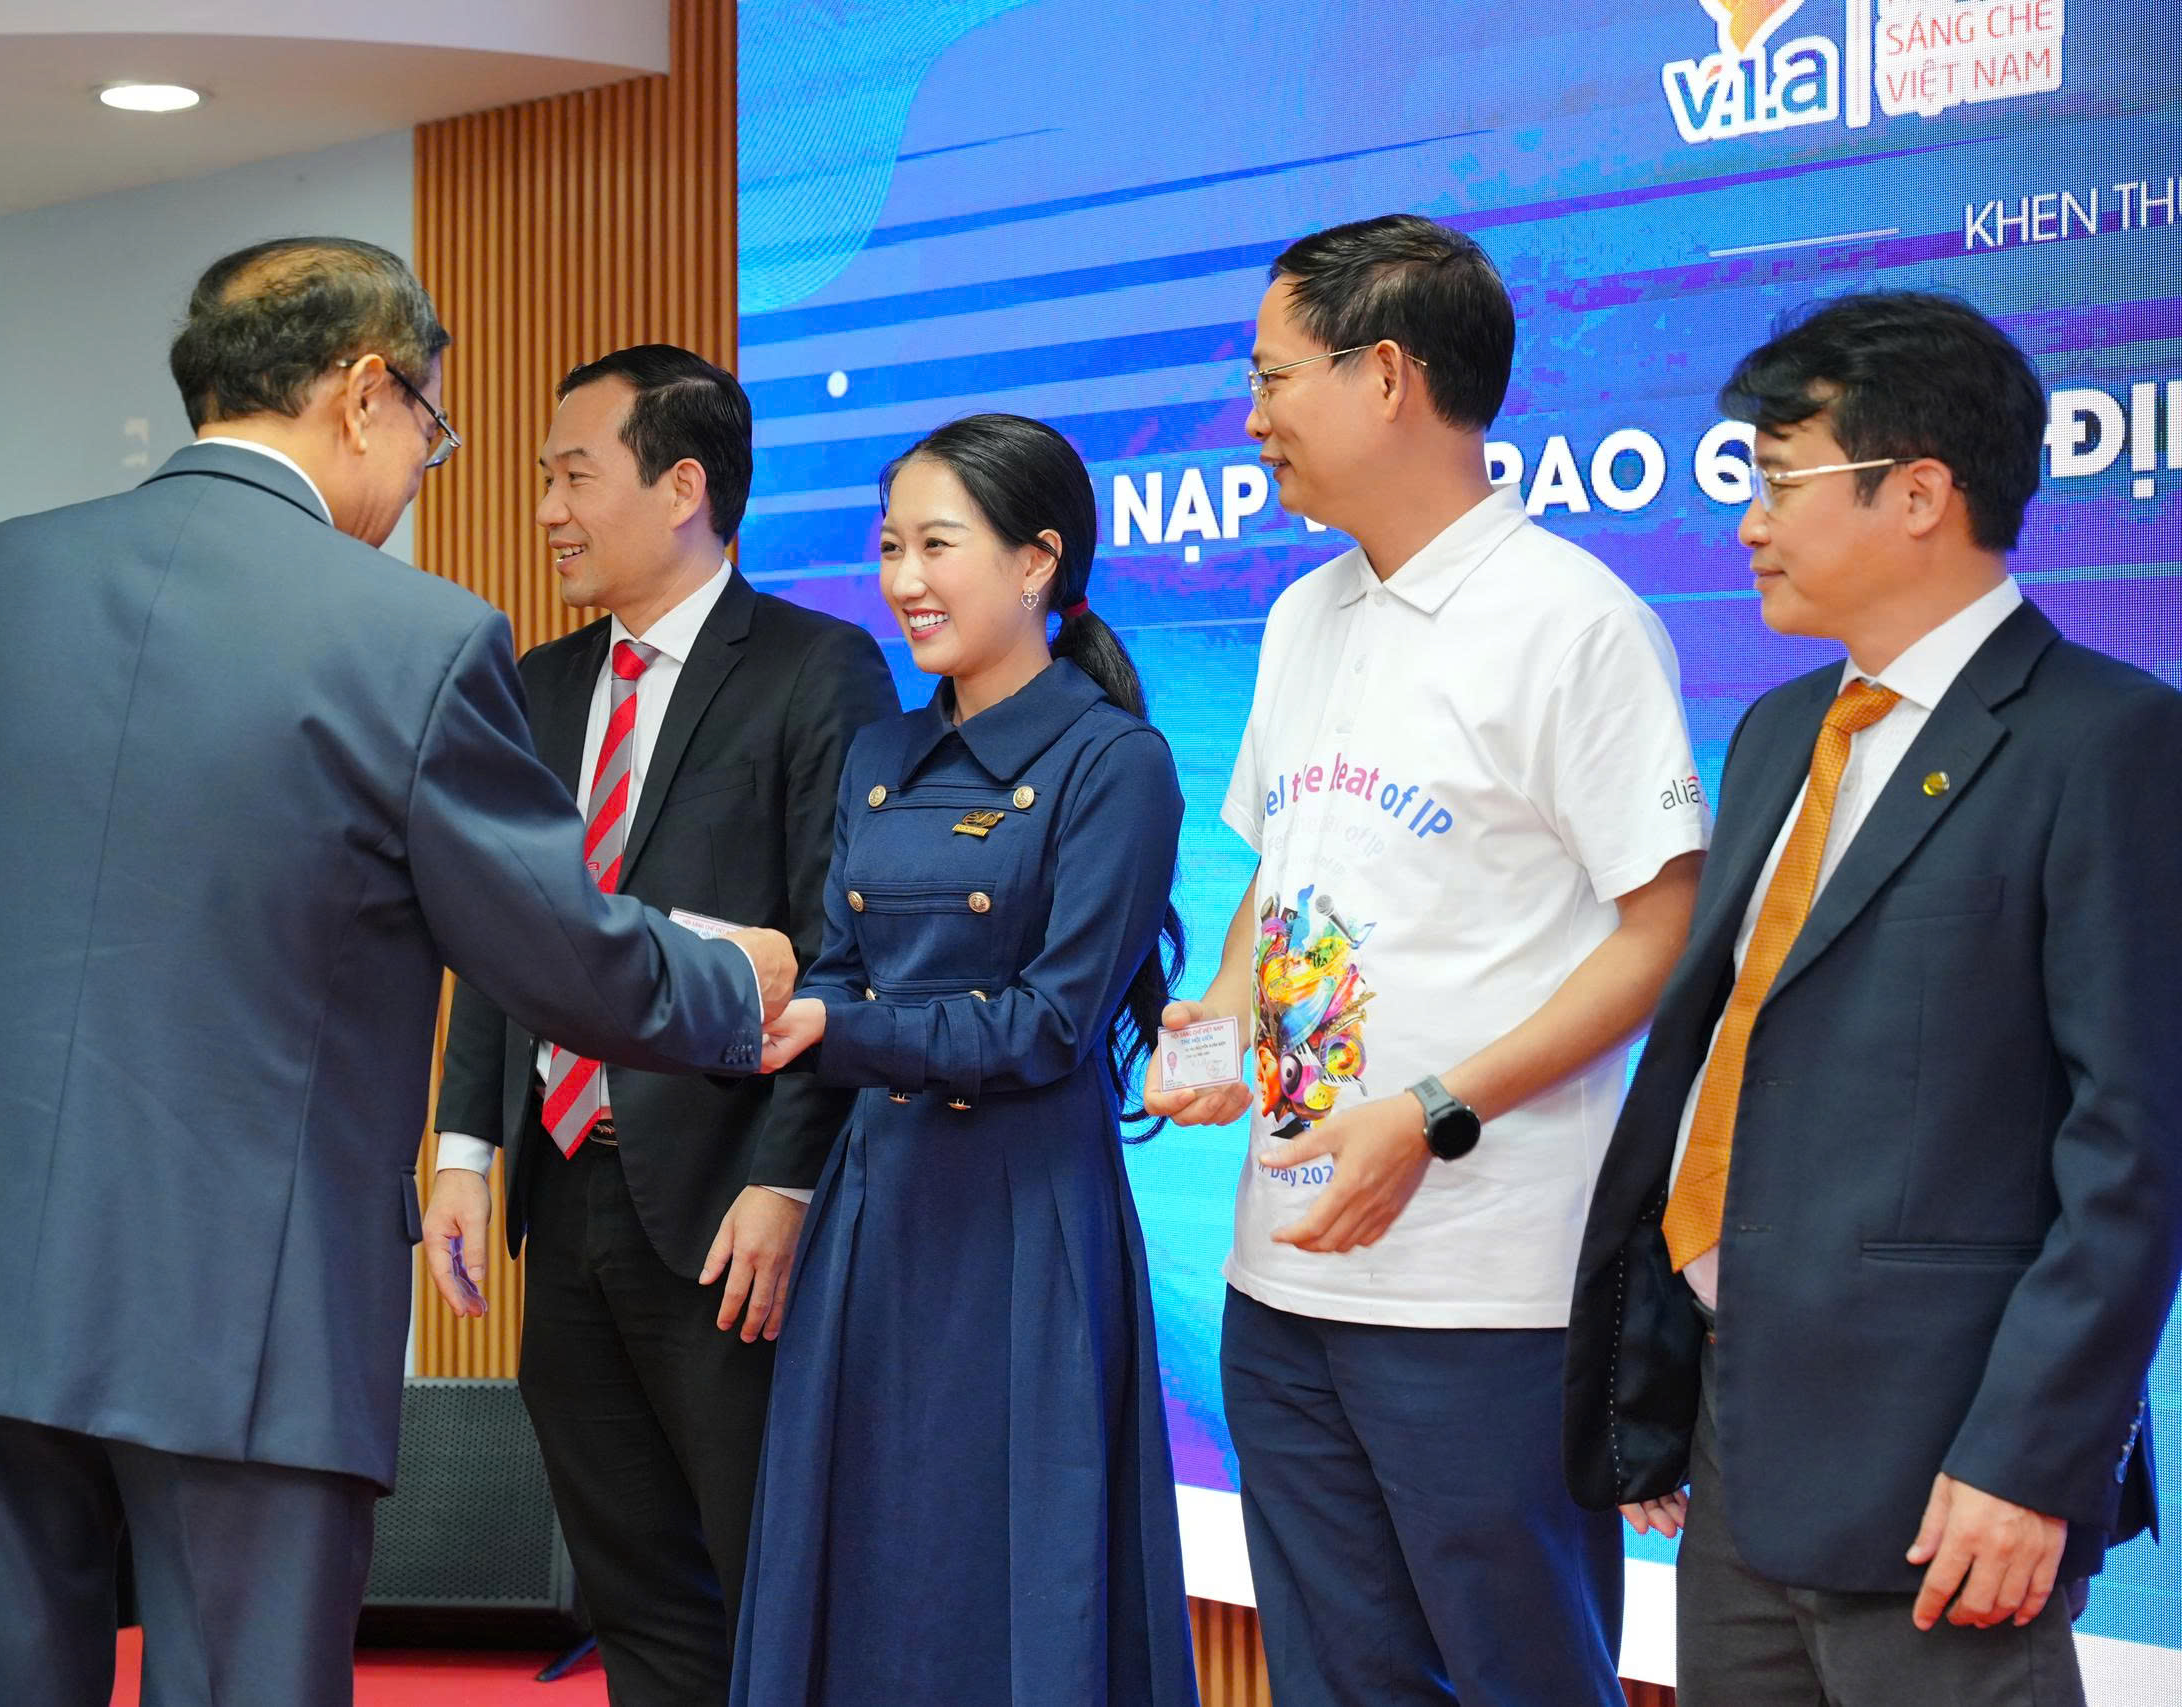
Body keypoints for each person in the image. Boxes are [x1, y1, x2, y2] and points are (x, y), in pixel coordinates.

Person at [0, 238, 794, 1707]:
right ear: (363, 393)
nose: (420, 472)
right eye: (430, 429)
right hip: (247, 1304)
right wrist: (737, 978)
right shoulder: (410, 638)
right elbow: (553, 949)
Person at [1565, 291, 2181, 1707]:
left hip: (1949, 1474)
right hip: (1738, 1434)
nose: (1747, 525)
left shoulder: (2107, 742)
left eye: (1780, 482)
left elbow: (2132, 1150)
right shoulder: (1780, 730)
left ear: (1917, 494)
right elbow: (1733, 1056)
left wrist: (2029, 1458)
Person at [1148, 214, 1709, 1707]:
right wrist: (1219, 1017)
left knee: (1523, 1671)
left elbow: (1663, 931)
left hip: (1484, 1294)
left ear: (1387, 374)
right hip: (1282, 1277)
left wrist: (1434, 1110)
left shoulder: (1573, 624)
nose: (1251, 418)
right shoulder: (1302, 614)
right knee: (1338, 1674)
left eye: (1273, 376)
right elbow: (1282, 870)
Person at [427, 344, 895, 1707]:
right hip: (566, 1184)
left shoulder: (817, 669)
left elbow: (844, 953)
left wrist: (788, 1178)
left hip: (728, 1203)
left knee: (770, 1578)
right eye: (546, 479)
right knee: (630, 1583)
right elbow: (498, 929)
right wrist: (465, 1148)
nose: (549, 510)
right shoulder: (533, 683)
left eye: (575, 476)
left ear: (683, 486)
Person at [733, 413, 1198, 1707]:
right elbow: (841, 963)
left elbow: (1049, 1025)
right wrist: (770, 992)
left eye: (937, 545)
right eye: (890, 546)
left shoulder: (1116, 762)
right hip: (877, 1202)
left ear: (1037, 560)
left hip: (1024, 1213)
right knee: (870, 1548)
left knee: (1018, 1553)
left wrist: (835, 1027)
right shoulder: (881, 752)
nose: (904, 579)